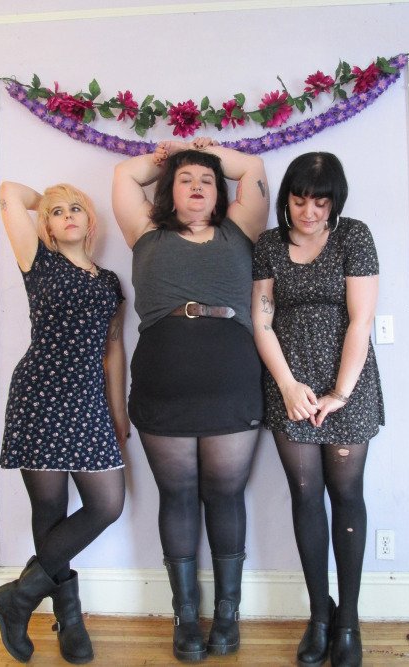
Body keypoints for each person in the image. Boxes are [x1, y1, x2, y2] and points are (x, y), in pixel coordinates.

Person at [112, 138, 268, 661]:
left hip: (232, 380)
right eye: (185, 180)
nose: (197, 186)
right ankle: (184, 617)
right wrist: (174, 154)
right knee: (177, 496)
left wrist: (204, 151)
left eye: (206, 180)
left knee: (225, 495)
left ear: (220, 193)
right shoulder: (145, 232)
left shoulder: (240, 229)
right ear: (168, 191)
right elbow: (124, 175)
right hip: (164, 382)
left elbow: (253, 167)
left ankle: (227, 616)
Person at [0, 182, 129, 664]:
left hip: (88, 401)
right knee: (49, 510)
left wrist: (118, 411)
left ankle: (16, 599)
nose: (68, 216)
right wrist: (46, 199)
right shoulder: (37, 260)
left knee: (107, 504)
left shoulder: (109, 283)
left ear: (90, 220)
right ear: (46, 223)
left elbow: (112, 349)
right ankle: (69, 618)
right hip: (40, 394)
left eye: (76, 208)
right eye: (57, 212)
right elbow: (9, 192)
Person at [252, 152, 384, 667]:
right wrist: (287, 386)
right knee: (305, 496)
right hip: (292, 387)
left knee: (346, 495)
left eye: (321, 202)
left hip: (347, 385)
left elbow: (361, 321)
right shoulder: (268, 245)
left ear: (335, 202)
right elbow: (262, 321)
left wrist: (340, 393)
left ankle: (347, 620)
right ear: (287, 198)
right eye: (300, 200)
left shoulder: (354, 236)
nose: (309, 212)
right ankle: (319, 616)